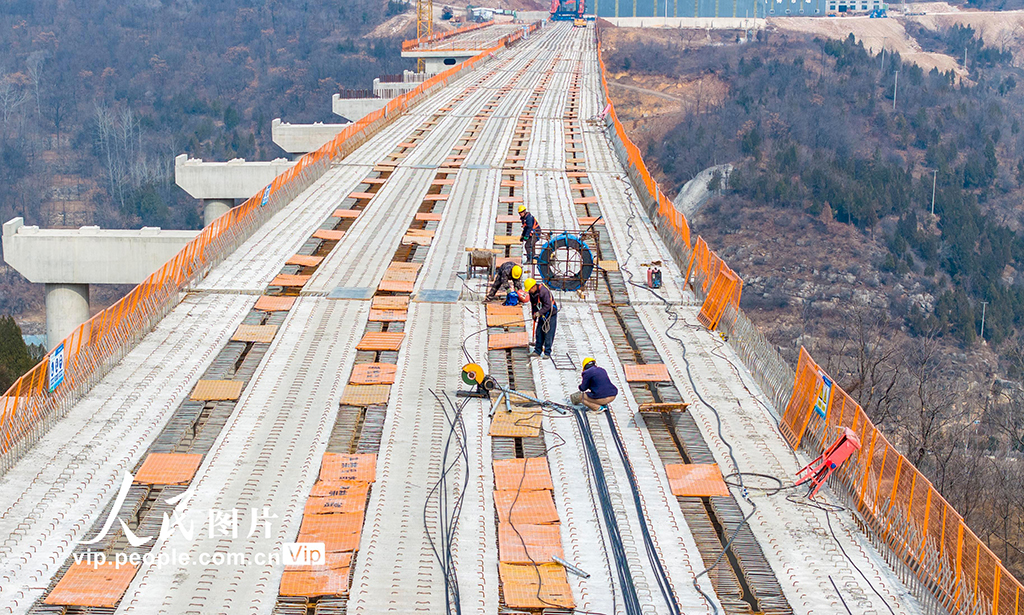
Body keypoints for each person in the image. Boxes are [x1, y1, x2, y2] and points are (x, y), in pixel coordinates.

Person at [524, 277, 557, 358]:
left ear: (533, 287)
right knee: (539, 332)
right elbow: (533, 304)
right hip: (542, 314)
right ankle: (537, 350)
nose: (529, 291)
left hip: (550, 314)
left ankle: (547, 352)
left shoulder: (543, 292)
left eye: (529, 289)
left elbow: (548, 305)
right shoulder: (532, 293)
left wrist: (539, 312)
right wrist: (534, 314)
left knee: (548, 333)